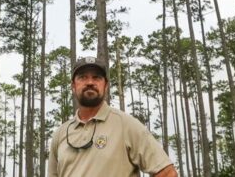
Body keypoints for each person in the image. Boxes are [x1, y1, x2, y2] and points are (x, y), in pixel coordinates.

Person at [48, 57, 178, 177]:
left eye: (96, 77)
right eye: (82, 77)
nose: (90, 82)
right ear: (73, 86)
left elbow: (167, 173)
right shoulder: (60, 134)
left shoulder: (126, 125)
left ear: (106, 85)